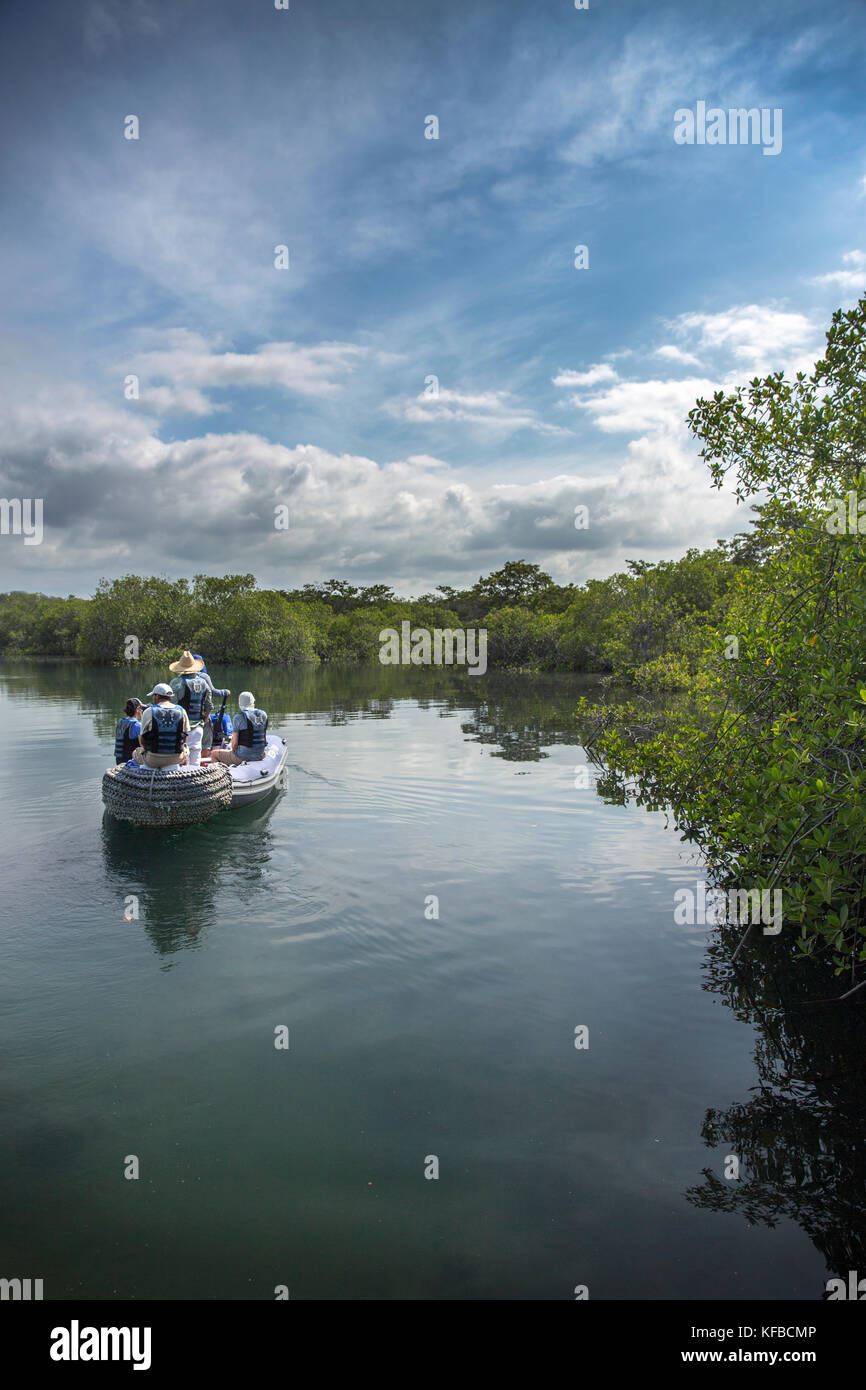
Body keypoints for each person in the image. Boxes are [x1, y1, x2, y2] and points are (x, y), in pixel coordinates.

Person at [168, 651, 213, 768]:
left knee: (180, 760)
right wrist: (203, 722)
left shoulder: (177, 683)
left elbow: (170, 707)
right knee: (195, 760)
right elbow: (208, 707)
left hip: (182, 729)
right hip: (198, 727)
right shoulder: (204, 683)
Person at [132, 684, 190, 768]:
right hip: (177, 758)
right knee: (187, 748)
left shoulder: (149, 711)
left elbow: (142, 740)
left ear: (157, 696)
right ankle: (182, 769)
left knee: (135, 753)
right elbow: (185, 738)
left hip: (153, 760)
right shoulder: (182, 711)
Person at [211, 691, 269, 766]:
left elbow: (234, 745)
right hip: (260, 755)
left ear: (240, 703)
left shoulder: (238, 717)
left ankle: (219, 775)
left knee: (214, 754)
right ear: (252, 702)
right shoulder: (264, 715)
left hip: (242, 757)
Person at [192, 653, 230, 761]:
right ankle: (203, 763)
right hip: (202, 715)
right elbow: (213, 692)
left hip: (188, 716)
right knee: (206, 741)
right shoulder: (203, 676)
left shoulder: (182, 678)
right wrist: (225, 692)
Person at [114, 698, 144, 764]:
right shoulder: (137, 725)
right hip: (130, 761)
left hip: (119, 760)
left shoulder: (120, 722)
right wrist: (143, 719)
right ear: (137, 709)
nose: (142, 710)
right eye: (141, 708)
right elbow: (143, 746)